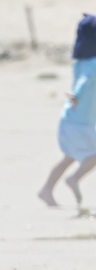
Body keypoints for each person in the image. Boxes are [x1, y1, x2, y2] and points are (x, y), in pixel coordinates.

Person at [39, 14, 96, 207]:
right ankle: (74, 179)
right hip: (80, 121)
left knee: (69, 157)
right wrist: (76, 96)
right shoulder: (94, 63)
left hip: (73, 119)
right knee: (91, 155)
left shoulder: (80, 61)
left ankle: (46, 190)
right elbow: (84, 81)